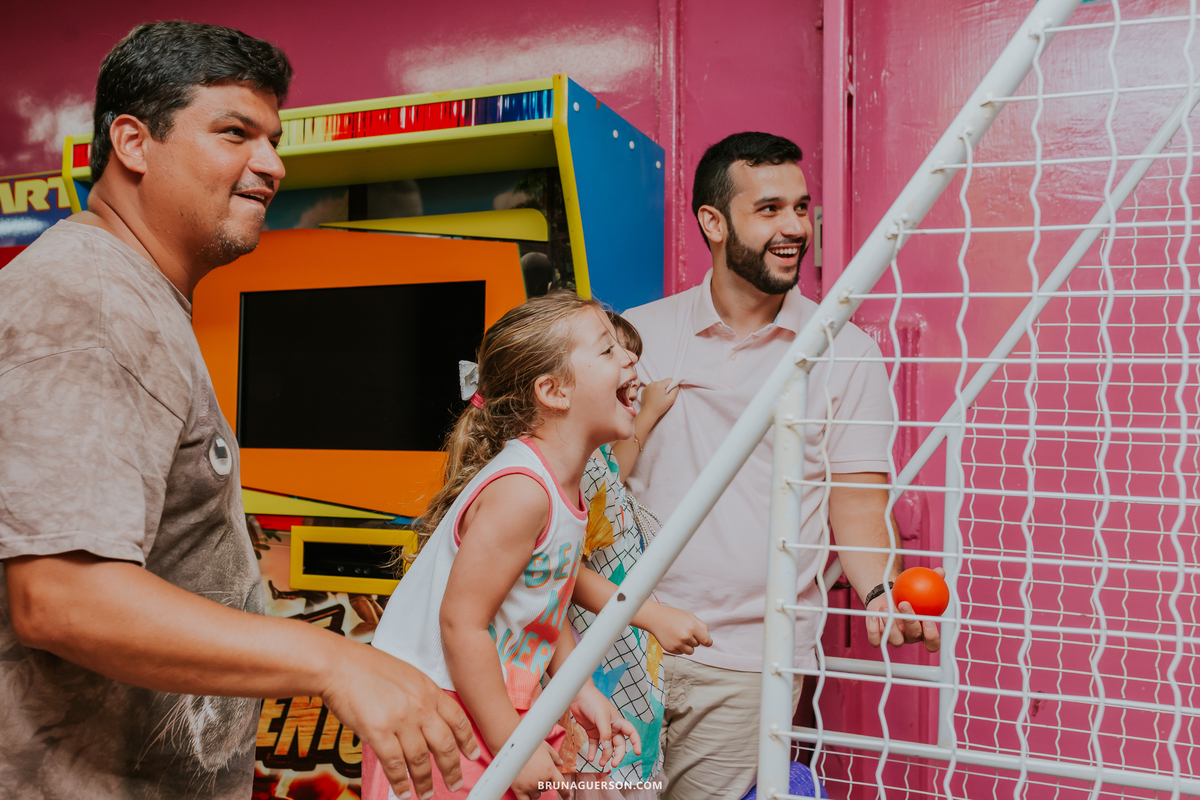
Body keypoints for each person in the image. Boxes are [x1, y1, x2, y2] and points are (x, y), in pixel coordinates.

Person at [0, 22, 475, 800]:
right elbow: (62, 595)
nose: (272, 164)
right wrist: (334, 659)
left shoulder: (141, 300)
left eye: (274, 139)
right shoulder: (85, 304)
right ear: (133, 141)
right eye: (234, 133)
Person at [621, 132, 942, 800]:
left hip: (748, 663)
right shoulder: (638, 336)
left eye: (800, 208)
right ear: (713, 222)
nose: (793, 227)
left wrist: (881, 589)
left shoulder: (845, 352)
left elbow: (855, 502)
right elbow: (594, 481)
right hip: (622, 643)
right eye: (769, 209)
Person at [363, 292, 643, 800]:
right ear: (553, 391)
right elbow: (461, 625)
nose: (630, 357)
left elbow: (542, 602)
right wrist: (515, 746)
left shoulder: (562, 485)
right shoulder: (523, 491)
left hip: (487, 696)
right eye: (607, 350)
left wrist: (579, 690)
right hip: (434, 707)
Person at [564, 311, 712, 799]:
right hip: (599, 659)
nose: (633, 368)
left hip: (625, 655)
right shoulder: (565, 468)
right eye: (612, 355)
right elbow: (564, 571)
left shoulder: (596, 456)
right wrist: (654, 616)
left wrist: (644, 415)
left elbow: (613, 477)